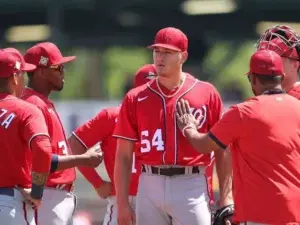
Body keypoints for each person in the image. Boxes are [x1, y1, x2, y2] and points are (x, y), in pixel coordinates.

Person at [113, 27, 233, 225]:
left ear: (183, 56)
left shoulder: (206, 93)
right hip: (149, 181)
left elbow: (222, 149)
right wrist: (123, 203)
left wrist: (226, 197)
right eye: (157, 51)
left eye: (168, 52)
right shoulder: (135, 97)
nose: (160, 57)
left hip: (191, 183)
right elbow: (124, 156)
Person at [176, 49, 300, 225]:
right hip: (295, 211)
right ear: (281, 76)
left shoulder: (244, 112)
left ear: (253, 79)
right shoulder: (297, 107)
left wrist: (188, 128)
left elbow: (203, 145)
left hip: (261, 214)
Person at [19, 42, 102, 225]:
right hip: (45, 195)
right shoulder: (33, 104)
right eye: (58, 67)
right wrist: (84, 159)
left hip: (53, 196)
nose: (63, 72)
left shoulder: (40, 101)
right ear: (40, 71)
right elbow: (41, 159)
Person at [68, 63, 157, 225]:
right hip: (124, 198)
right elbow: (74, 143)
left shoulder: (166, 117)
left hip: (158, 199)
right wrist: (97, 182)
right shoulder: (111, 116)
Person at [0, 50, 51, 225]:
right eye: (23, 74)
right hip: (9, 204)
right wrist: (37, 192)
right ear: (15, 77)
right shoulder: (25, 110)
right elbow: (43, 149)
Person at [256, 25, 300, 99]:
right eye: (264, 59)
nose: (268, 64)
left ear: (295, 65)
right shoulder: (263, 97)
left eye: (275, 58)